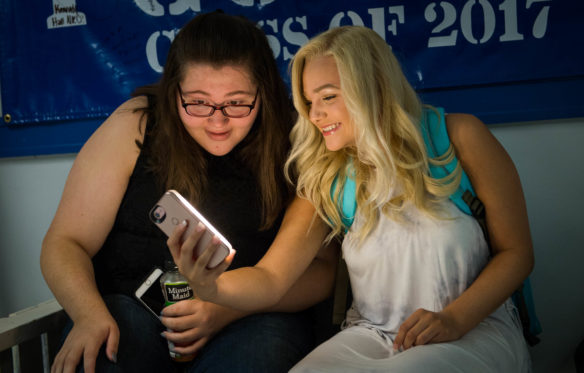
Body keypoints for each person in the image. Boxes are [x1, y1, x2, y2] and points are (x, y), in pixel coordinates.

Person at [171, 25, 534, 372]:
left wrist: (454, 319)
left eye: (328, 97)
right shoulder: (325, 178)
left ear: (374, 86)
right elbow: (270, 279)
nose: (315, 115)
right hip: (373, 336)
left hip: (474, 329)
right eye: (309, 102)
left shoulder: (458, 137)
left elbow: (517, 254)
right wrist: (211, 286)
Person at [40, 11, 339, 373]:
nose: (217, 120)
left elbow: (323, 271)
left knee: (261, 353)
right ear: (173, 91)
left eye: (237, 102)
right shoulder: (136, 123)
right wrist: (88, 316)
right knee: (99, 351)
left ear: (265, 92)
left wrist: (224, 307)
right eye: (197, 102)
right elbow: (65, 242)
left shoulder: (296, 143)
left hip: (251, 318)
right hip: (131, 309)